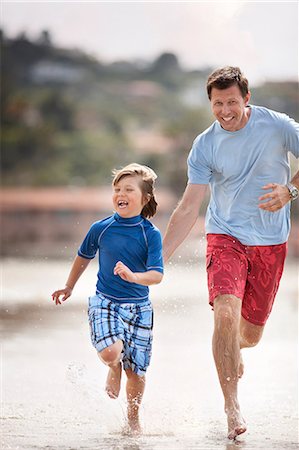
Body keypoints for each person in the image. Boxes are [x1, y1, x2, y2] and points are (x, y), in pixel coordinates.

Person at [163, 66, 299, 440]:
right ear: (210, 102)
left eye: (232, 102)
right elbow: (190, 206)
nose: (225, 110)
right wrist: (159, 258)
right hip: (225, 236)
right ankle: (232, 406)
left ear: (247, 98)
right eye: (218, 103)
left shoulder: (278, 126)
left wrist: (291, 190)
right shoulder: (205, 145)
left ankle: (232, 351)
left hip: (271, 242)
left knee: (249, 336)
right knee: (225, 311)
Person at [52, 163, 164, 435]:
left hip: (140, 308)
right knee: (111, 352)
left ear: (145, 198)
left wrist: (134, 277)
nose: (120, 194)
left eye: (128, 189)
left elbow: (156, 275)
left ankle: (133, 420)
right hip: (105, 302)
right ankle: (113, 366)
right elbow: (83, 256)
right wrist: (69, 286)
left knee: (136, 372)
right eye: (116, 189)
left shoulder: (150, 234)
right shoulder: (101, 228)